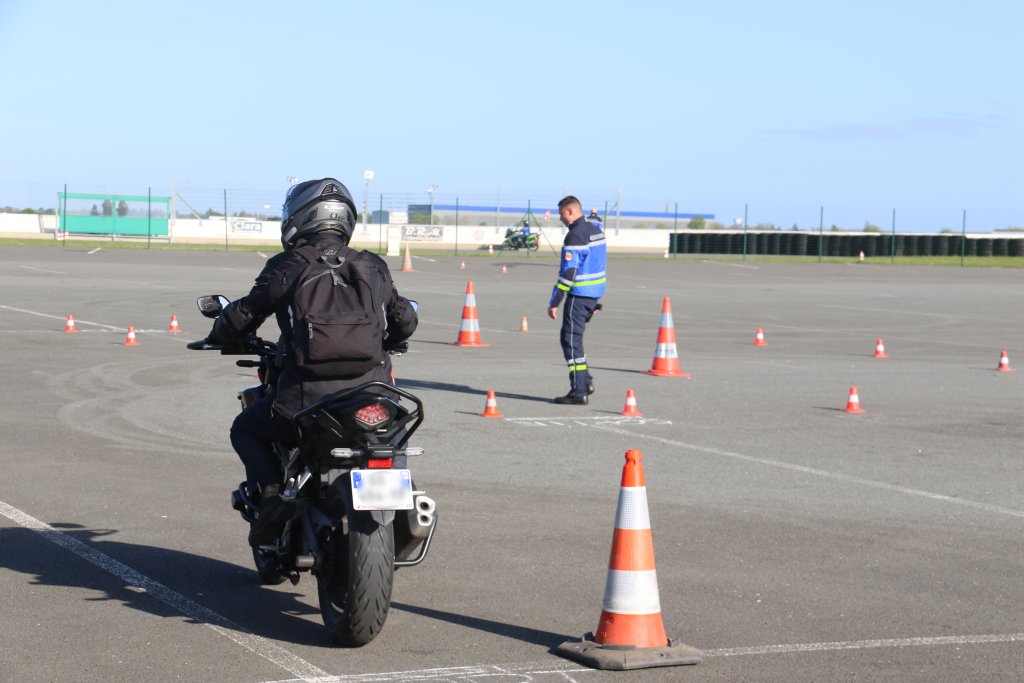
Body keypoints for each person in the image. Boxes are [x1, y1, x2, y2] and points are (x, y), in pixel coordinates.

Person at [206, 178, 418, 545]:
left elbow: (244, 314)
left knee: (245, 427)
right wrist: (393, 339)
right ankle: (411, 508)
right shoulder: (371, 265)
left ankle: (274, 498)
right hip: (374, 395)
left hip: (305, 402)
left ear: (299, 217)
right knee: (389, 442)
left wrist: (220, 333)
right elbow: (404, 320)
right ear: (345, 219)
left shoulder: (289, 264)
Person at [547, 195, 606, 404]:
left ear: (570, 211)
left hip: (579, 295)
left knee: (570, 342)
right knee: (576, 340)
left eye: (562, 213)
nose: (561, 218)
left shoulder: (575, 236)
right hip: (594, 293)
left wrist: (555, 301)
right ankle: (586, 381)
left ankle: (579, 391)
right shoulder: (596, 231)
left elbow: (568, 274)